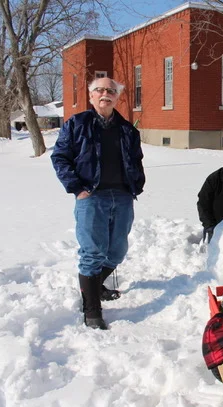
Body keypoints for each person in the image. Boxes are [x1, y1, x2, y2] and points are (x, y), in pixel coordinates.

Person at [51, 77, 145, 330]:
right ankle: (91, 310)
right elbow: (60, 157)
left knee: (117, 251)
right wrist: (76, 187)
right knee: (92, 253)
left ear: (117, 97)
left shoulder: (127, 129)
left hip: (122, 196)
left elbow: (136, 159)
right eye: (100, 90)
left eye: (111, 91)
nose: (106, 94)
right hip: (91, 196)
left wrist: (136, 184)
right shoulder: (77, 124)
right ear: (91, 95)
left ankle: (94, 286)